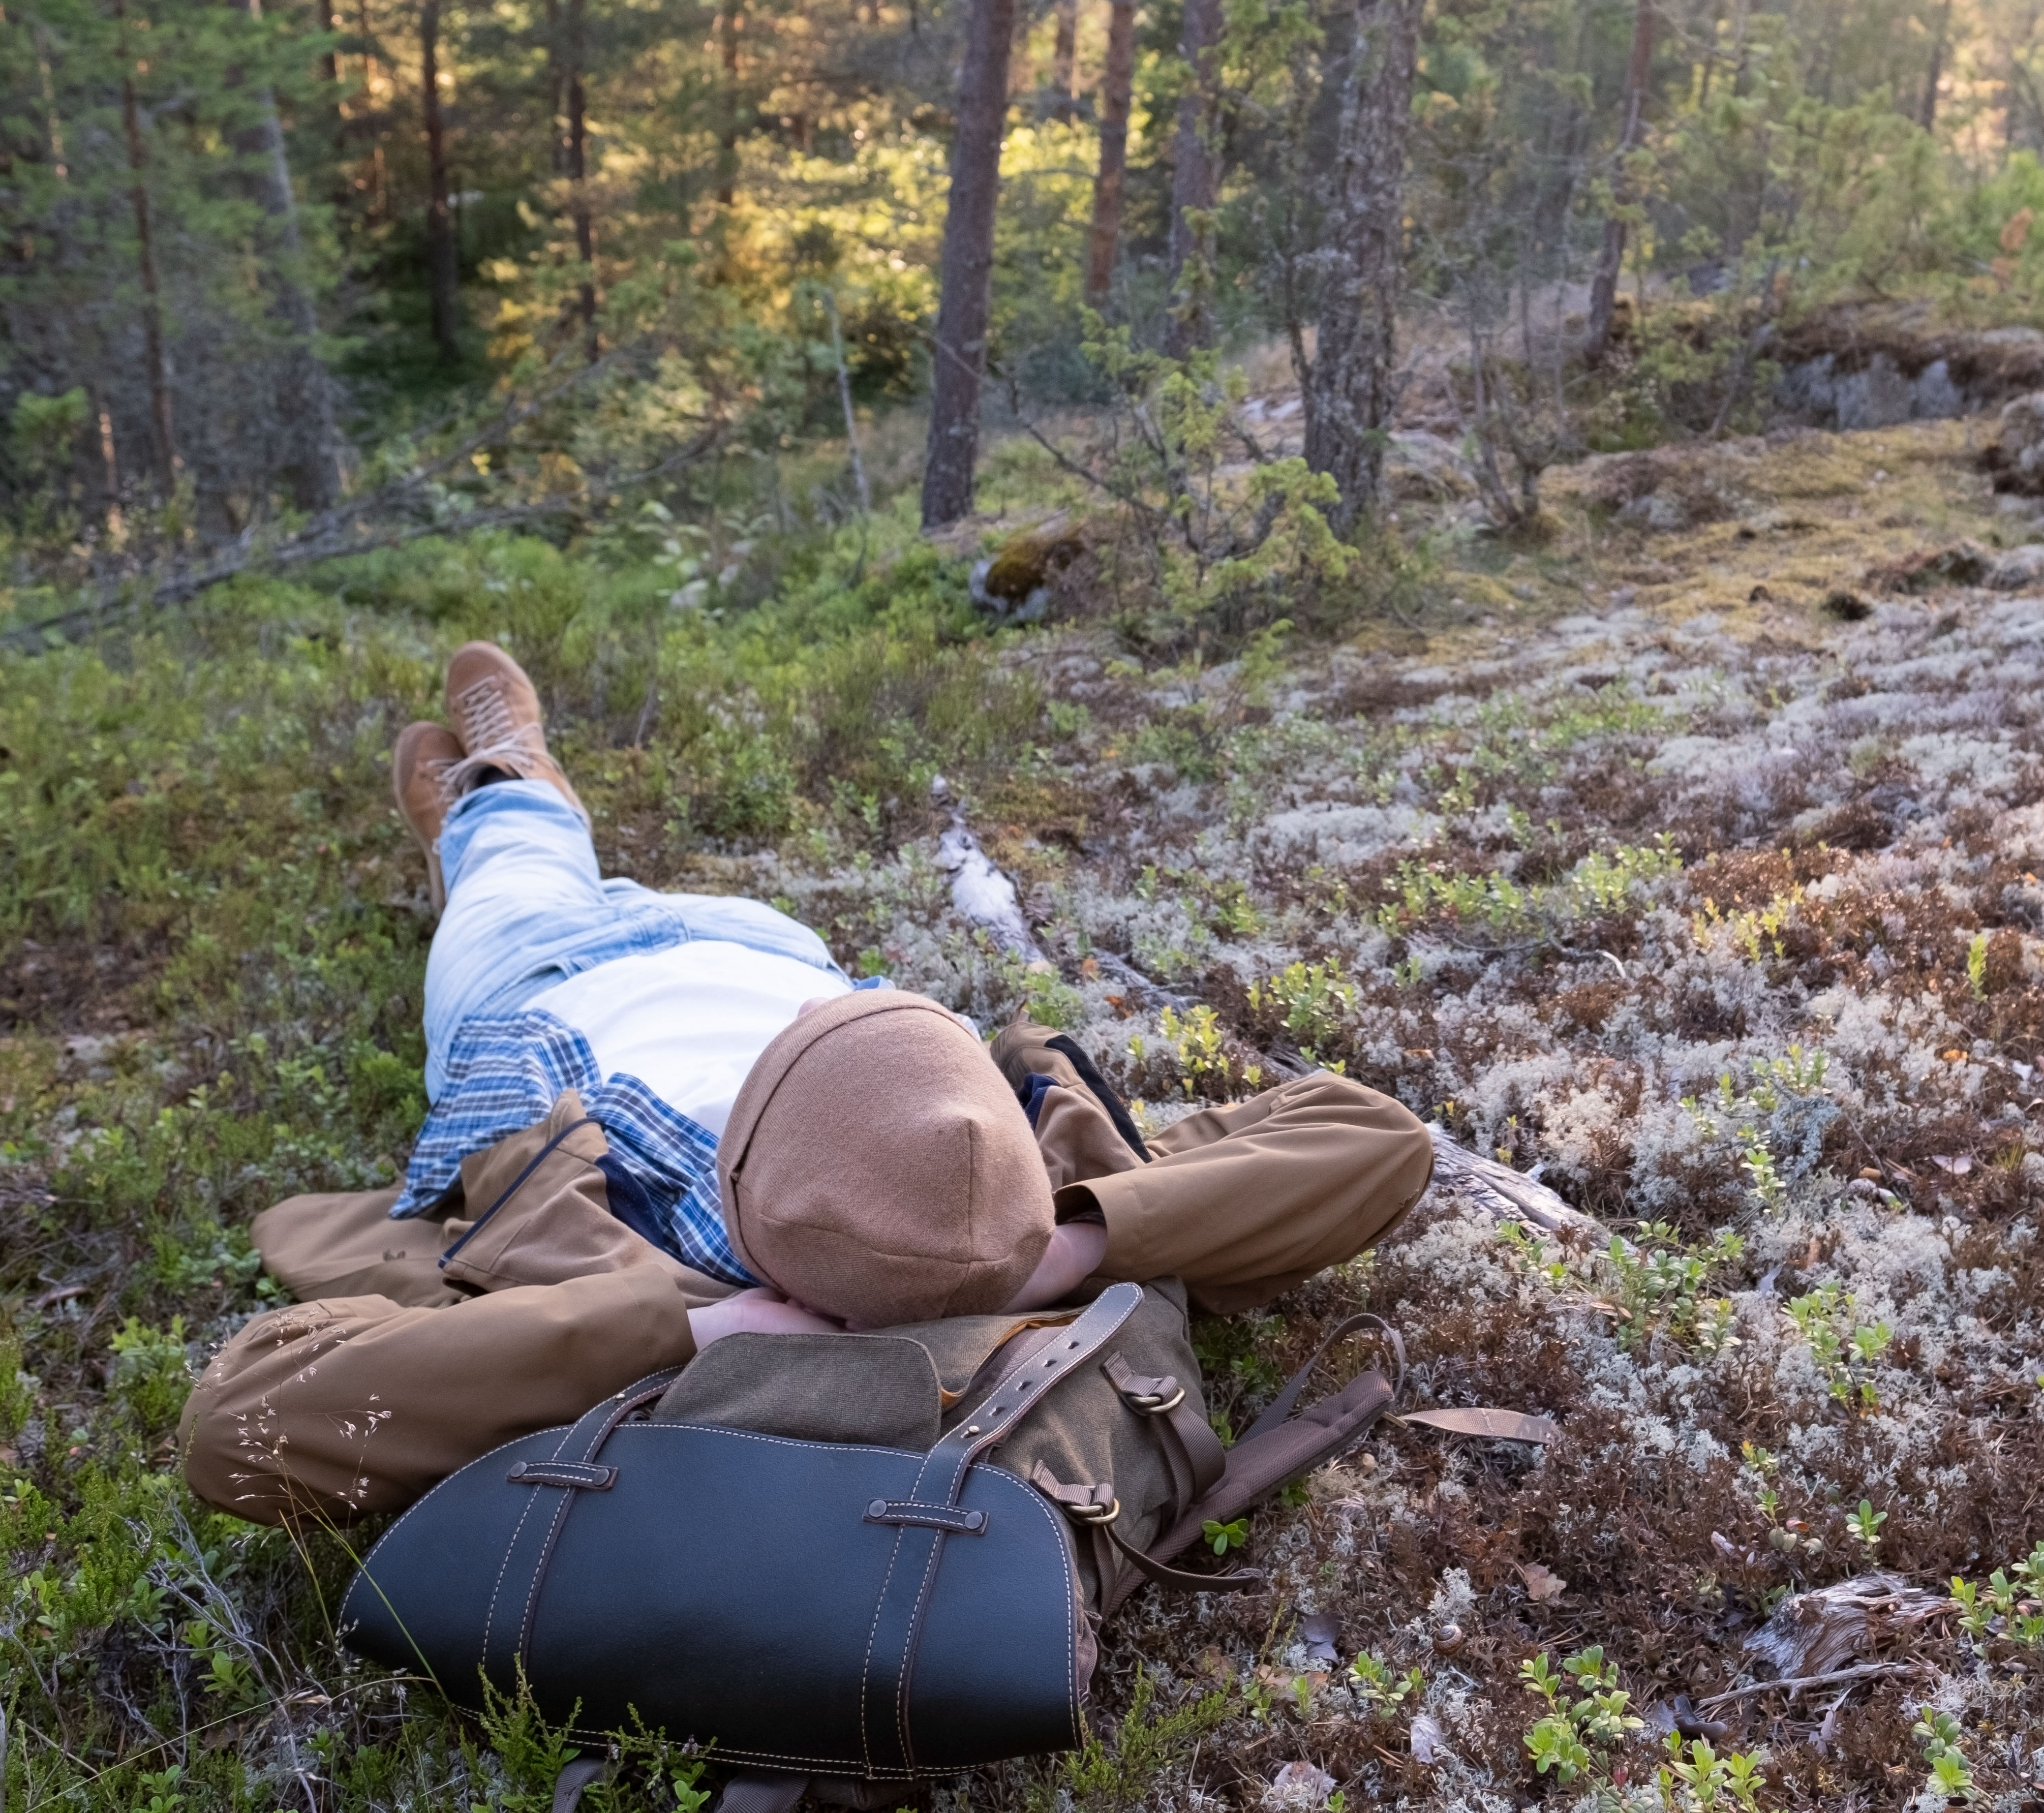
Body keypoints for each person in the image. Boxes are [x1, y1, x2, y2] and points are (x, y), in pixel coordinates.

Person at [178, 642, 1434, 1527]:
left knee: (518, 857)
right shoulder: (994, 1188)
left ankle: (495, 785)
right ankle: (497, 794)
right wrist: (1074, 1237)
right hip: (758, 947)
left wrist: (693, 1330)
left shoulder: (680, 1274)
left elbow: (240, 1430)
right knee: (527, 861)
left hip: (543, 982)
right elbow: (1377, 1139)